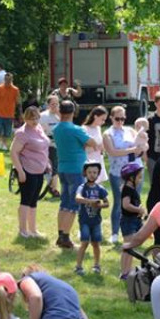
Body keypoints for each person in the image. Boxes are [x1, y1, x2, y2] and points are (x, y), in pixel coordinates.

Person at [53, 100, 98, 249]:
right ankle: (65, 237)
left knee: (64, 203)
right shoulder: (75, 129)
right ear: (73, 112)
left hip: (63, 167)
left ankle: (60, 234)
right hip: (76, 169)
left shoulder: (57, 128)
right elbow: (92, 143)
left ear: (60, 112)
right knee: (73, 205)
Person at [9, 106, 51, 238]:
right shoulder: (22, 133)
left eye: (37, 118)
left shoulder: (39, 129)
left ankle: (33, 230)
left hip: (40, 170)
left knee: (34, 201)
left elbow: (44, 147)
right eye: (32, 118)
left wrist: (47, 163)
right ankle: (22, 230)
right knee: (26, 200)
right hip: (28, 170)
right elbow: (13, 152)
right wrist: (20, 171)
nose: (35, 121)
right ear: (25, 118)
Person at [103, 105, 141, 244]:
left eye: (123, 118)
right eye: (117, 118)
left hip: (135, 172)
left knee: (135, 202)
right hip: (118, 173)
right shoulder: (108, 134)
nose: (120, 121)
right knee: (119, 202)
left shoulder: (130, 130)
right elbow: (112, 152)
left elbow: (141, 145)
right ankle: (114, 232)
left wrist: (140, 149)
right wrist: (131, 149)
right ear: (111, 118)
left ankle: (135, 230)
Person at [74, 161, 110, 276]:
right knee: (84, 242)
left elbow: (107, 203)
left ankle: (97, 265)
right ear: (85, 173)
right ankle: (78, 266)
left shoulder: (100, 189)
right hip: (84, 220)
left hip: (96, 221)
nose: (92, 174)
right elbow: (78, 198)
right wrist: (90, 201)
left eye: (95, 172)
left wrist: (99, 205)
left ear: (98, 173)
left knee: (96, 243)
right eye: (89, 172)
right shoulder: (82, 187)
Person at [118, 162, 146, 278]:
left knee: (131, 247)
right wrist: (138, 210)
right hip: (128, 221)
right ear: (131, 178)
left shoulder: (131, 188)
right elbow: (126, 205)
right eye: (139, 177)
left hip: (133, 220)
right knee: (128, 247)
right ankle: (124, 272)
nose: (140, 179)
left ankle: (128, 271)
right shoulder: (127, 189)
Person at [0, 72, 20, 152]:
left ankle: (4, 144)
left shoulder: (15, 90)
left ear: (12, 80)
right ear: (4, 79)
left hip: (10, 114)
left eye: (9, 80)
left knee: (7, 132)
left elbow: (18, 102)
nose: (8, 81)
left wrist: (20, 114)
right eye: (6, 80)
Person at [39, 95, 61, 197]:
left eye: (57, 104)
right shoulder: (43, 116)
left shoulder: (60, 117)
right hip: (45, 145)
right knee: (49, 167)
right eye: (52, 104)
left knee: (55, 167)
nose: (55, 106)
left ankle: (53, 188)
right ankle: (52, 187)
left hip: (57, 145)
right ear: (48, 105)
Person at [81, 106, 109, 183]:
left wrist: (103, 147)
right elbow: (82, 146)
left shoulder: (98, 128)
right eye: (102, 119)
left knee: (99, 183)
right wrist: (95, 147)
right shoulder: (84, 129)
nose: (103, 122)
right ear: (95, 116)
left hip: (98, 158)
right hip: (88, 159)